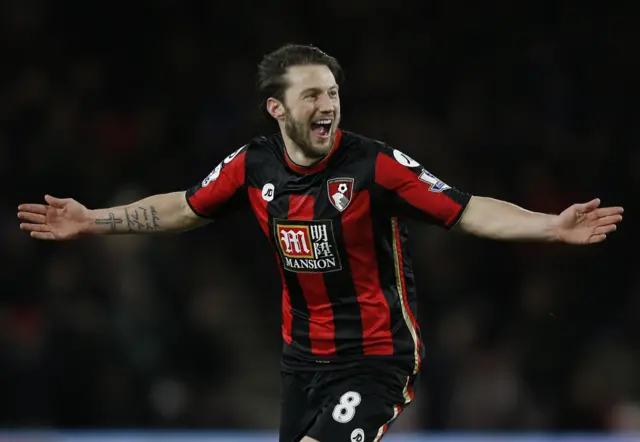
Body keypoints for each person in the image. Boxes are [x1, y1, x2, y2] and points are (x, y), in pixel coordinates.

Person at [17, 44, 623, 442]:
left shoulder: (375, 165)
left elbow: (466, 210)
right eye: (313, 95)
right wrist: (92, 220)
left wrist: (550, 225)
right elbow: (183, 207)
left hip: (377, 356)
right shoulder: (251, 166)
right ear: (277, 107)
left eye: (332, 92)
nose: (328, 104)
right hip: (300, 360)